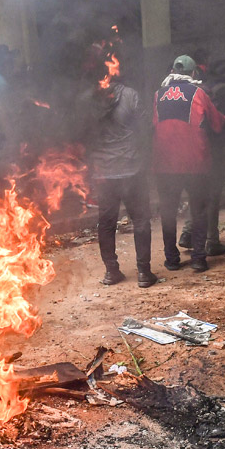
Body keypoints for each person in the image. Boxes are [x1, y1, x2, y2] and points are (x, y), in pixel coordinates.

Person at [76, 43, 155, 288]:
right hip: (131, 168)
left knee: (107, 222)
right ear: (114, 70)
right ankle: (143, 273)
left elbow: (82, 134)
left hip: (103, 173)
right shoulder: (130, 95)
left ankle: (111, 272)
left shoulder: (87, 100)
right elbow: (146, 127)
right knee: (140, 219)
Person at [151, 55, 224, 272]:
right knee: (199, 210)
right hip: (195, 164)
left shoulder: (158, 94)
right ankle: (198, 259)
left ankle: (172, 259)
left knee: (168, 211)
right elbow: (218, 125)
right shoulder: (199, 93)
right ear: (193, 74)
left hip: (164, 164)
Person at [179, 56, 225, 257]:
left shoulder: (201, 89)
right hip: (218, 151)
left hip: (197, 150)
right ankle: (212, 241)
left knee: (197, 194)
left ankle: (188, 232)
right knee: (213, 196)